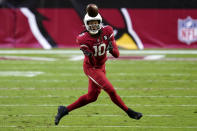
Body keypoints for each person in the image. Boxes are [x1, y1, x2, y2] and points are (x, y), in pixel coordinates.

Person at [55, 6, 142, 125]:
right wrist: (90, 54)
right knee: (110, 90)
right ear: (86, 24)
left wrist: (110, 47)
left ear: (100, 22)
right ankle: (129, 112)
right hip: (92, 68)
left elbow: (116, 55)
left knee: (92, 97)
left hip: (101, 66)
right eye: (90, 23)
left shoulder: (108, 31)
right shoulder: (83, 39)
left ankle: (64, 110)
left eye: (95, 23)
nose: (93, 26)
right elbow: (92, 62)